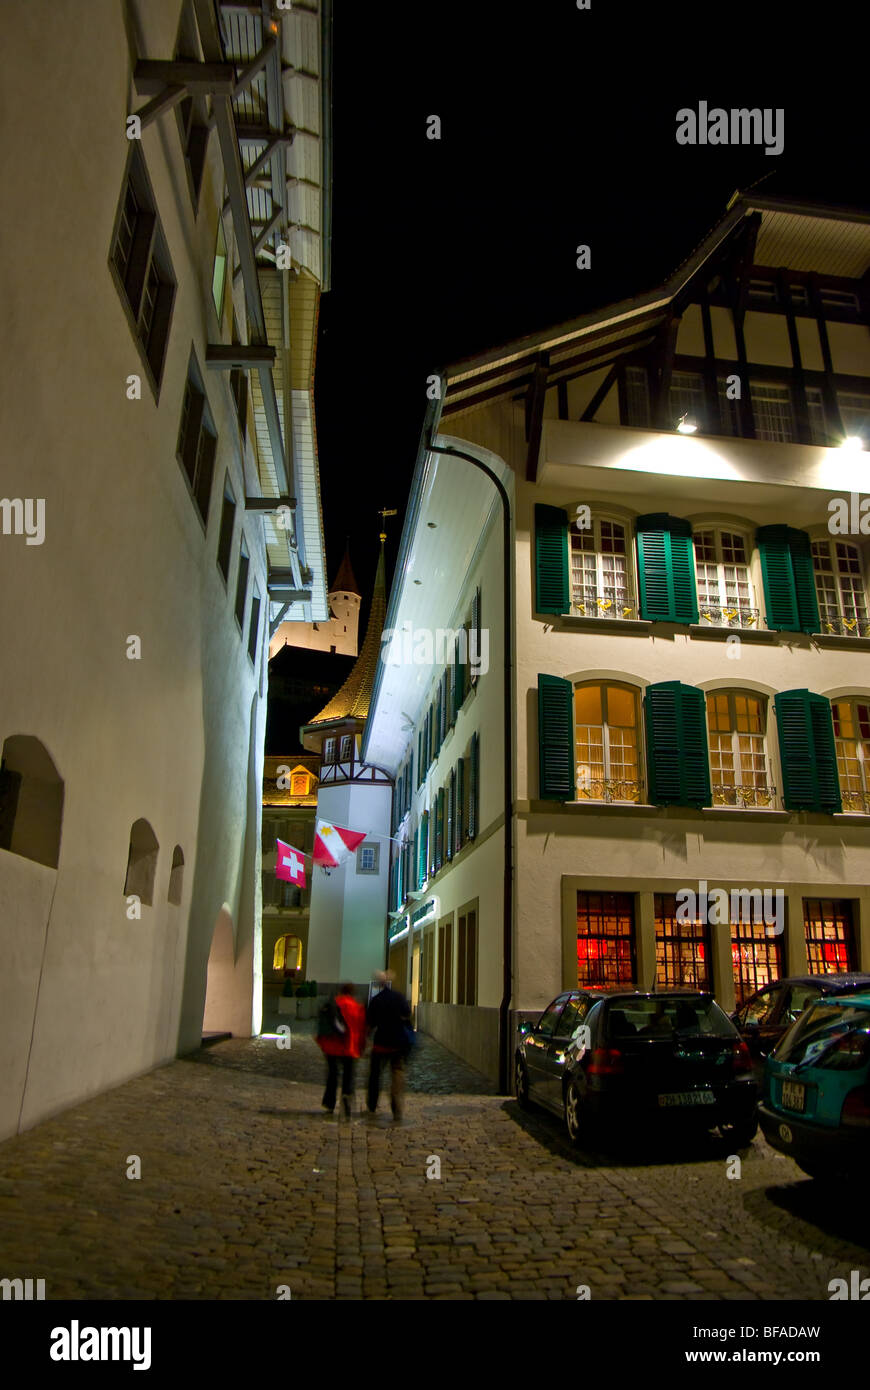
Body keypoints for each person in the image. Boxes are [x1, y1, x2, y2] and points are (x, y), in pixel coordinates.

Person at [366, 970, 413, 1122]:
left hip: (380, 1044)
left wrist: (366, 1041)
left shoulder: (376, 1000)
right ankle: (396, 1107)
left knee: (375, 1075)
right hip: (397, 1043)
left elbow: (370, 1023)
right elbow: (407, 1013)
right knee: (397, 1075)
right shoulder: (399, 997)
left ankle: (372, 1104)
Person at [316, 983, 366, 1118]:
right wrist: (361, 1046)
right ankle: (346, 1097)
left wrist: (322, 1042)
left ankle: (330, 1103)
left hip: (332, 1046)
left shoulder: (333, 1004)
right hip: (349, 1047)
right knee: (348, 1075)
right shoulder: (356, 1007)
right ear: (352, 993)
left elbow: (323, 1024)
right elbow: (361, 1029)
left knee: (332, 1074)